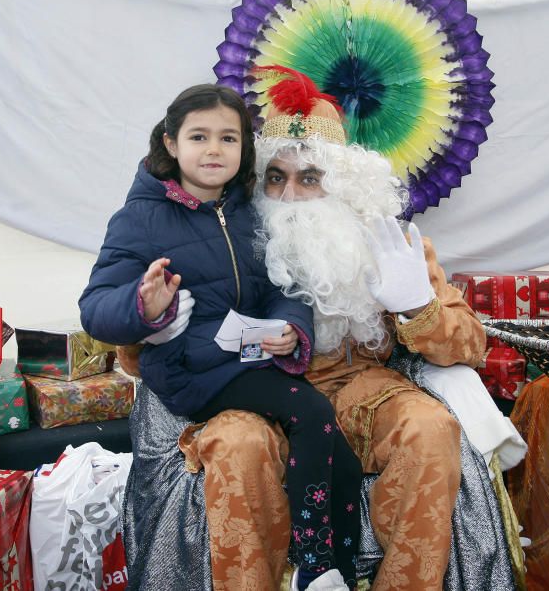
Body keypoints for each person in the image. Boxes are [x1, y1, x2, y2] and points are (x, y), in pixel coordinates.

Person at [118, 68, 524, 590]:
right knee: (237, 444)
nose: (289, 194)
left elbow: (469, 343)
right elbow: (135, 356)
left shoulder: (389, 242)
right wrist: (157, 324)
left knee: (431, 428)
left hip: (360, 385)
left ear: (341, 187)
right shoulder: (217, 236)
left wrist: (416, 306)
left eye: (309, 178)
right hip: (250, 390)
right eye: (275, 177)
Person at [78, 83, 363, 590]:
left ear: (243, 149)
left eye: (228, 138)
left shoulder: (249, 210)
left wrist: (288, 327)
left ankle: (336, 569)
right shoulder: (141, 217)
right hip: (191, 369)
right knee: (315, 413)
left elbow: (282, 284)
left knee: (339, 453)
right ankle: (314, 564)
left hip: (249, 360)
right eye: (200, 136)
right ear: (171, 143)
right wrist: (145, 308)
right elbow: (95, 309)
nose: (214, 150)